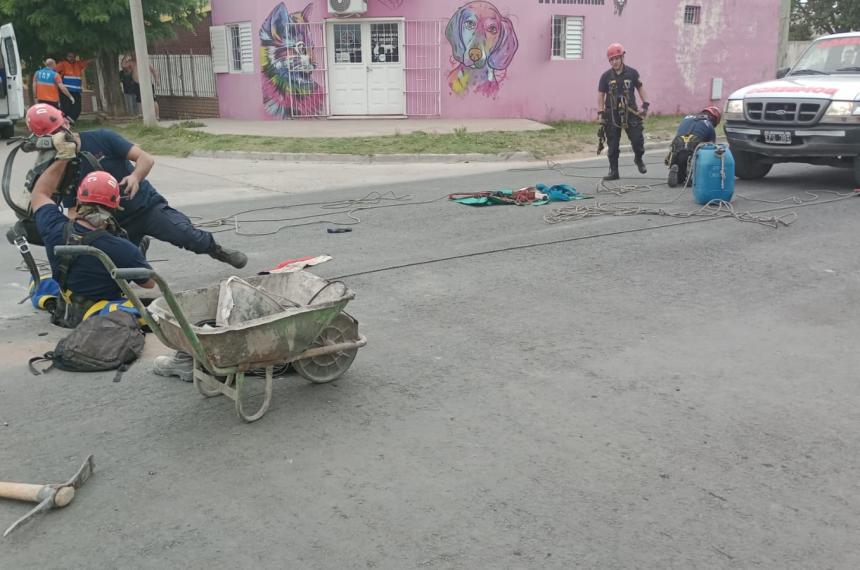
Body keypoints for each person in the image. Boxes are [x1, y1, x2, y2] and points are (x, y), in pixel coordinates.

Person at [26, 105, 155, 328]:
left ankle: (48, 298)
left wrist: (63, 158)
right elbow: (149, 283)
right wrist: (135, 257)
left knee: (40, 283)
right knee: (153, 313)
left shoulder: (54, 226)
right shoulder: (121, 248)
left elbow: (40, 193)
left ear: (79, 199)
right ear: (114, 205)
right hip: (98, 311)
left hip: (68, 301)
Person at [62, 124, 248, 269]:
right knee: (118, 274)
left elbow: (146, 159)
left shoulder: (101, 138)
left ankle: (217, 250)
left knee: (187, 235)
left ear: (66, 124)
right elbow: (72, 211)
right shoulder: (61, 167)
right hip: (114, 224)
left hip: (146, 207)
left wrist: (135, 176)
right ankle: (138, 247)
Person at [597, 42, 650, 181]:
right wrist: (601, 112)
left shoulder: (632, 73)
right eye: (612, 59)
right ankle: (614, 171)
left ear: (622, 57)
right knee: (613, 145)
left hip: (631, 113)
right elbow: (600, 94)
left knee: (638, 141)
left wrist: (645, 105)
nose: (614, 62)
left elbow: (640, 88)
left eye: (617, 58)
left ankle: (638, 159)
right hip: (612, 114)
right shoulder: (605, 76)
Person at [665, 106, 721, 187]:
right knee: (707, 150)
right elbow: (712, 149)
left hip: (677, 146)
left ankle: (674, 166)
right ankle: (691, 175)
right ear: (715, 119)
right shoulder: (709, 125)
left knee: (679, 178)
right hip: (692, 150)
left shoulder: (687, 118)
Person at [55, 51, 90, 121]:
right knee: (65, 108)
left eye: (73, 57)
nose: (71, 58)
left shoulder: (78, 64)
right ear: (66, 57)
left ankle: (68, 122)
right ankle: (62, 123)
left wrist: (94, 57)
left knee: (77, 109)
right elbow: (53, 72)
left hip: (76, 91)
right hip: (65, 91)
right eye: (70, 56)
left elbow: (87, 61)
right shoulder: (62, 64)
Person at [125, 54, 160, 120]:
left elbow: (154, 70)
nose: (134, 55)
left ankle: (157, 116)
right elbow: (123, 65)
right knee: (139, 100)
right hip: (138, 84)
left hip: (147, 83)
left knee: (153, 100)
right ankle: (142, 116)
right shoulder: (132, 63)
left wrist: (157, 79)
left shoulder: (145, 61)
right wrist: (125, 57)